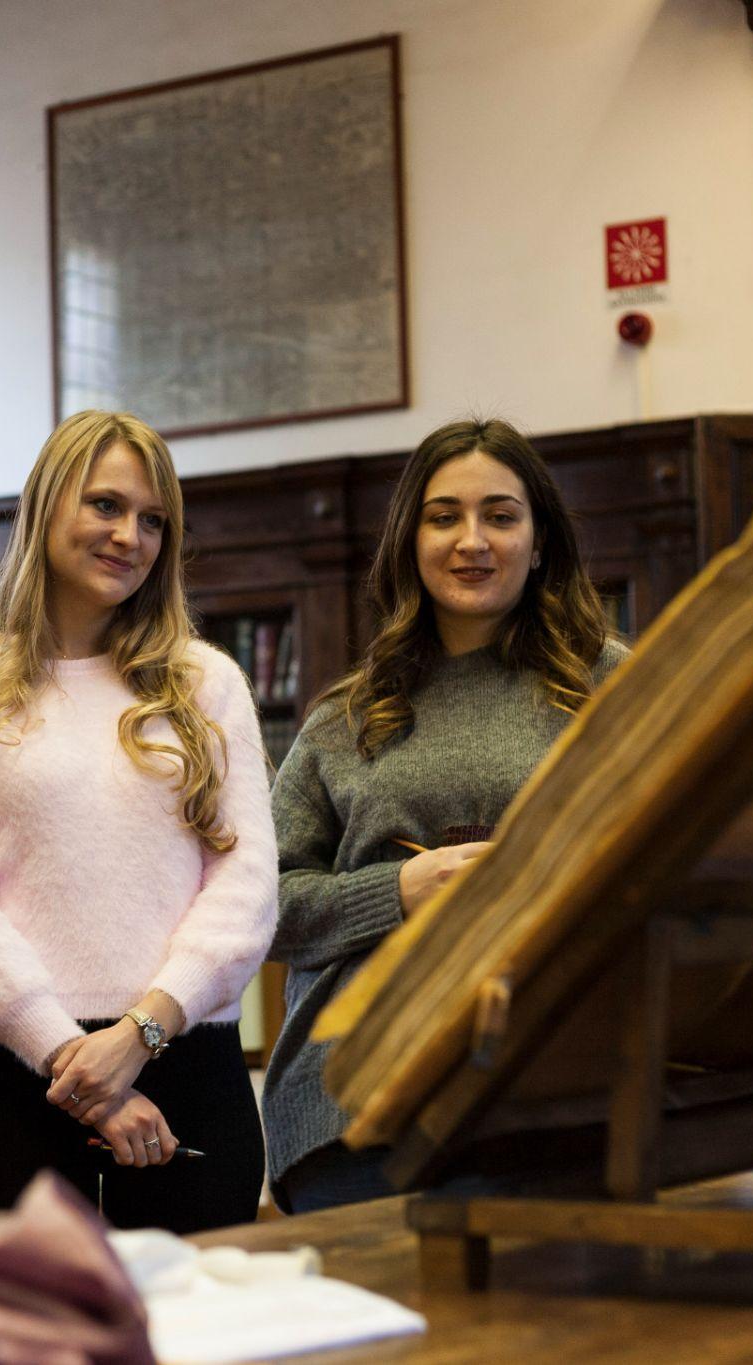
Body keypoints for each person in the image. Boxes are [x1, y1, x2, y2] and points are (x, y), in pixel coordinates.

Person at [0, 410, 277, 1232]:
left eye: (151, 519)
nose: (128, 535)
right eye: (105, 505)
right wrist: (75, 1059)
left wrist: (137, 1036)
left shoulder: (207, 684)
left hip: (188, 1067)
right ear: (45, 508)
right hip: (13, 1079)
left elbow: (247, 890)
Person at [262, 417, 628, 1213]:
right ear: (410, 542)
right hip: (357, 1103)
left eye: (500, 515)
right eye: (444, 516)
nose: (473, 540)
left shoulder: (616, 687)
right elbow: (261, 906)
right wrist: (395, 891)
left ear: (539, 543)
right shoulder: (345, 717)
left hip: (561, 1084)